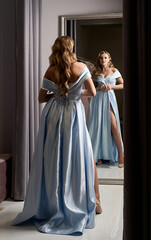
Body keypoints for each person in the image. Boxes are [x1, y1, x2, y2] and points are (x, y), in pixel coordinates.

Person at [12, 36, 102, 235]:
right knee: (80, 156)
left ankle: (52, 204)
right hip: (73, 115)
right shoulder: (81, 67)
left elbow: (41, 98)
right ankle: (90, 202)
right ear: (70, 48)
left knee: (53, 157)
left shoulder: (51, 70)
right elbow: (93, 93)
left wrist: (60, 93)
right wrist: (75, 93)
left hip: (53, 115)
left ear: (55, 49)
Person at [87, 51, 124, 168]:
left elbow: (123, 85)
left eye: (105, 58)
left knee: (114, 126)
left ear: (109, 59)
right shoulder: (96, 72)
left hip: (109, 99)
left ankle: (121, 156)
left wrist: (111, 86)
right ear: (99, 60)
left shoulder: (114, 71)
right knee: (98, 126)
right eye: (101, 58)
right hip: (97, 100)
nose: (103, 60)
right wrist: (98, 88)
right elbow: (91, 88)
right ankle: (98, 155)